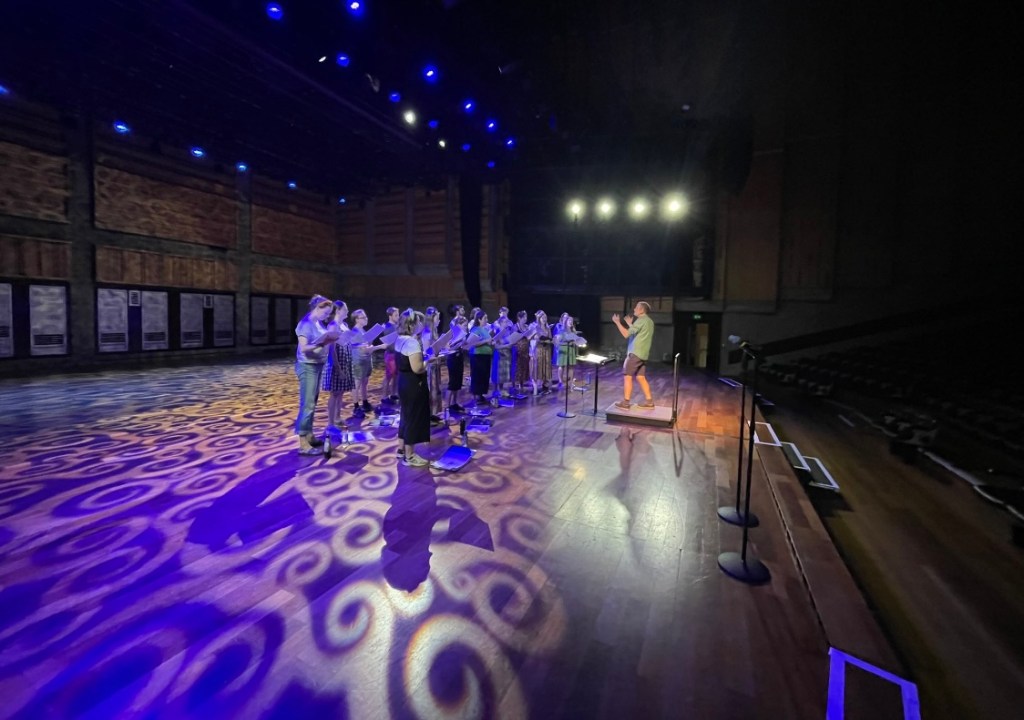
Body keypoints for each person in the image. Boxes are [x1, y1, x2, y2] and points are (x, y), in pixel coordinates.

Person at [294, 295, 336, 454]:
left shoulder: (317, 323)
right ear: (317, 308)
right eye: (325, 313)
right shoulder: (305, 324)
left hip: (317, 365)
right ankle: (303, 443)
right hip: (307, 366)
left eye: (329, 314)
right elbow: (304, 348)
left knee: (313, 402)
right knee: (307, 404)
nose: (327, 316)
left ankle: (309, 435)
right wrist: (322, 342)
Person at [395, 309, 432, 467]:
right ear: (412, 325)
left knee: (406, 415)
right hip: (413, 384)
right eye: (419, 322)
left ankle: (401, 450)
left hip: (403, 381)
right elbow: (417, 368)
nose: (421, 325)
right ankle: (409, 456)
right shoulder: (412, 342)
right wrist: (429, 360)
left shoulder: (400, 339)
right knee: (413, 417)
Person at [612, 301, 655, 409]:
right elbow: (638, 333)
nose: (634, 309)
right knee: (641, 377)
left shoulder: (641, 320)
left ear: (641, 310)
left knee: (627, 377)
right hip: (643, 354)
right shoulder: (649, 321)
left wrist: (617, 322)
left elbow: (626, 334)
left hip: (635, 353)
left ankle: (626, 402)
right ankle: (649, 402)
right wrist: (630, 324)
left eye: (636, 307)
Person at [321, 300, 354, 430]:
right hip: (336, 362)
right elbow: (331, 348)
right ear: (338, 311)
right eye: (345, 309)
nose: (347, 311)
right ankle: (330, 423)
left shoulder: (344, 325)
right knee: (334, 393)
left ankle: (337, 418)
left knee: (341, 392)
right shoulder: (333, 326)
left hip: (346, 360)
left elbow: (348, 342)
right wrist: (338, 367)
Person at [349, 308, 375, 415]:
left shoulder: (363, 330)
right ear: (357, 319)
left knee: (365, 382)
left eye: (366, 317)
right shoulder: (354, 332)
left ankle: (365, 402)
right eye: (363, 317)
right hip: (358, 360)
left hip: (366, 359)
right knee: (357, 383)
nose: (366, 319)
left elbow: (367, 344)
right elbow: (352, 346)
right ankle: (356, 406)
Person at [421, 306, 445, 425]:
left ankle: (433, 413)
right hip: (429, 366)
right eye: (437, 318)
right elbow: (426, 353)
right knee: (430, 391)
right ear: (432, 318)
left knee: (436, 390)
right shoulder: (426, 333)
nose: (438, 320)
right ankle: (427, 416)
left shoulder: (434, 330)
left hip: (436, 364)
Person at [467, 309, 494, 404]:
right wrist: (486, 341)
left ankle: (481, 395)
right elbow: (472, 342)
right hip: (478, 356)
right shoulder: (475, 329)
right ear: (479, 319)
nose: (487, 320)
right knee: (478, 376)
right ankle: (477, 396)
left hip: (485, 356)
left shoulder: (484, 329)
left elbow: (487, 340)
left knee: (484, 376)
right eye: (485, 318)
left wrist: (491, 341)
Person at [446, 314, 468, 414]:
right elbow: (448, 348)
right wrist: (458, 343)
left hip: (459, 357)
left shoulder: (463, 334)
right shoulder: (453, 333)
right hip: (452, 358)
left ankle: (454, 403)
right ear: (458, 325)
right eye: (464, 325)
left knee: (458, 383)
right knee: (452, 383)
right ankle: (447, 407)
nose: (466, 327)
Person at [553, 312, 583, 389]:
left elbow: (576, 339)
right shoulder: (562, 329)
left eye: (572, 321)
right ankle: (560, 381)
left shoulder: (573, 329)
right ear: (566, 321)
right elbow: (558, 339)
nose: (571, 322)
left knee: (571, 366)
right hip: (563, 348)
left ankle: (571, 382)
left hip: (571, 349)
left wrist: (577, 342)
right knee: (561, 365)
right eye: (569, 321)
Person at [490, 306, 514, 399]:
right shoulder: (497, 329)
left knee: (504, 373)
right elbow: (496, 344)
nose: (507, 323)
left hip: (507, 352)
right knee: (497, 372)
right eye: (505, 322)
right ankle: (495, 390)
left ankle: (501, 389)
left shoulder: (508, 328)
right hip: (500, 353)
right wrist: (506, 345)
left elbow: (510, 336)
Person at [380, 306, 400, 404]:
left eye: (398, 315)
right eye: (396, 315)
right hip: (390, 354)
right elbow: (385, 341)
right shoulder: (386, 326)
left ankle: (393, 393)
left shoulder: (397, 326)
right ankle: (384, 396)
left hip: (397, 353)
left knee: (396, 375)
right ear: (390, 316)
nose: (398, 317)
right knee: (388, 376)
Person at [531, 310, 553, 394]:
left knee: (546, 367)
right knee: (538, 367)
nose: (544, 319)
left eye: (545, 318)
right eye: (542, 318)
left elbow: (550, 337)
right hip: (539, 349)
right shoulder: (536, 327)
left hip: (547, 350)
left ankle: (546, 386)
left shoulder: (547, 328)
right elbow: (535, 338)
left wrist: (550, 340)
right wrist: (541, 340)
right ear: (539, 318)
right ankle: (536, 386)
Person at [512, 310, 533, 396]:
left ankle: (522, 384)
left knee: (524, 366)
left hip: (525, 348)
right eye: (524, 317)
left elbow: (528, 338)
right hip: (517, 348)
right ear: (519, 318)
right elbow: (513, 338)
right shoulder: (515, 326)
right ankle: (514, 385)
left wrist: (533, 333)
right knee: (517, 367)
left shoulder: (527, 326)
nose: (526, 318)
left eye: (526, 317)